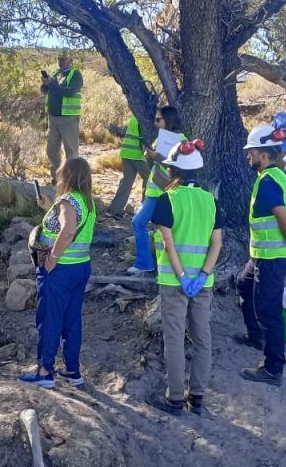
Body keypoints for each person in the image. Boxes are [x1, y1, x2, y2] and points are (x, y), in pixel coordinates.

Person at [148, 139, 223, 416]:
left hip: (173, 283)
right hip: (203, 284)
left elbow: (168, 243)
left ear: (172, 171)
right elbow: (217, 244)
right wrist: (203, 275)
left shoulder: (167, 199)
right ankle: (198, 397)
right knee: (202, 338)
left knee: (175, 339)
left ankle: (175, 399)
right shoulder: (210, 201)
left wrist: (181, 276)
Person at [19, 158, 96, 388]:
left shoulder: (68, 201)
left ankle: (45, 371)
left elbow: (68, 229)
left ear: (69, 175)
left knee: (50, 319)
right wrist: (48, 207)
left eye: (60, 172)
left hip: (59, 270)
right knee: (71, 319)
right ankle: (72, 370)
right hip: (80, 267)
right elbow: (69, 223)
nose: (57, 175)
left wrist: (53, 257)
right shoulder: (86, 202)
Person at [237, 125, 286, 386]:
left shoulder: (269, 182)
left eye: (251, 152)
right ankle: (255, 336)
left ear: (264, 155)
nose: (248, 156)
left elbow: (285, 221)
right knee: (243, 284)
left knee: (269, 311)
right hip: (261, 254)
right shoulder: (279, 177)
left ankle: (274, 368)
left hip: (272, 257)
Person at [127, 106, 186, 275]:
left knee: (139, 223)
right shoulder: (161, 137)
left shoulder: (181, 140)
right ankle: (158, 264)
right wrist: (150, 157)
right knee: (158, 228)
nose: (155, 123)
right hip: (154, 191)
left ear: (169, 120)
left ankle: (145, 263)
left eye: (158, 119)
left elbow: (179, 166)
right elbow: (157, 164)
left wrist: (157, 157)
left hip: (164, 193)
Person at [41, 50, 84, 184]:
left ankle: (72, 181)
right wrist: (46, 84)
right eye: (59, 59)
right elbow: (47, 91)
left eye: (64, 59)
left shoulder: (75, 74)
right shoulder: (56, 73)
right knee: (52, 150)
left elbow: (70, 92)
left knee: (71, 151)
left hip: (68, 119)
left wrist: (53, 85)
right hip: (53, 118)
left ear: (71, 60)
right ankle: (57, 178)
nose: (61, 61)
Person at [105, 114, 149, 220]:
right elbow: (145, 138)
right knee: (150, 180)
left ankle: (115, 210)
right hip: (138, 156)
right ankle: (146, 211)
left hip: (126, 153)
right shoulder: (145, 118)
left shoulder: (135, 116)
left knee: (126, 182)